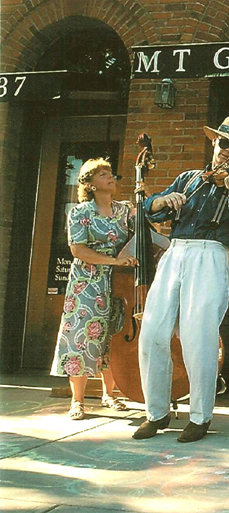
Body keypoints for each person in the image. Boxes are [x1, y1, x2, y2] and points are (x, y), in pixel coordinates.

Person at [132, 115, 229, 443]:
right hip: (176, 252)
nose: (225, 149)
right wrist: (162, 201)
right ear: (214, 142)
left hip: (211, 253)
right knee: (152, 332)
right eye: (222, 142)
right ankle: (156, 413)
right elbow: (150, 210)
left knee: (198, 336)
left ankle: (200, 417)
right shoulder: (188, 177)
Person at [50, 158, 137, 420]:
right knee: (82, 335)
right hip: (87, 283)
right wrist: (113, 260)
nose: (110, 178)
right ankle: (77, 401)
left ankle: (109, 394)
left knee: (113, 335)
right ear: (89, 184)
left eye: (110, 173)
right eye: (102, 174)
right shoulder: (79, 212)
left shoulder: (126, 211)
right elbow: (78, 249)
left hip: (119, 282)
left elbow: (142, 238)